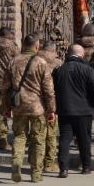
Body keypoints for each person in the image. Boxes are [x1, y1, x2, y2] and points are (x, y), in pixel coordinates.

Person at [1, 33, 55, 183]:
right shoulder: (41, 63)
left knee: (19, 137)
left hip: (18, 106)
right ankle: (36, 173)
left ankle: (17, 161)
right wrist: (51, 109)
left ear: (23, 45)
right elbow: (48, 90)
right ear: (37, 46)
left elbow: (5, 88)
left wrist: (6, 107)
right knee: (38, 140)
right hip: (37, 107)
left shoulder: (13, 62)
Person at [53, 44, 94, 177]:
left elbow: (53, 88)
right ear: (82, 55)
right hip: (83, 110)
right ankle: (86, 166)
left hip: (64, 109)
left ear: (68, 54)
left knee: (64, 138)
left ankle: (63, 168)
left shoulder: (58, 69)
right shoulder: (87, 69)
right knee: (84, 138)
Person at [37, 41, 62, 173]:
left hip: (34, 102)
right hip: (52, 101)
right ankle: (49, 163)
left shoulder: (34, 60)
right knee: (50, 134)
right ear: (53, 50)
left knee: (37, 134)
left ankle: (35, 161)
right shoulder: (58, 63)